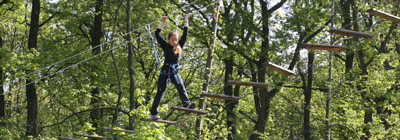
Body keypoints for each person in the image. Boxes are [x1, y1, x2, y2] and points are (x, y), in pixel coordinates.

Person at [150, 13, 195, 120]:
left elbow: (185, 33)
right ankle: (153, 113)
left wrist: (186, 20)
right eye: (172, 40)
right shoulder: (165, 46)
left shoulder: (179, 46)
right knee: (160, 91)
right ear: (169, 39)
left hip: (174, 71)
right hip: (165, 71)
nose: (175, 42)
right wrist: (163, 22)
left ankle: (187, 104)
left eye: (176, 40)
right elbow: (157, 34)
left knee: (181, 87)